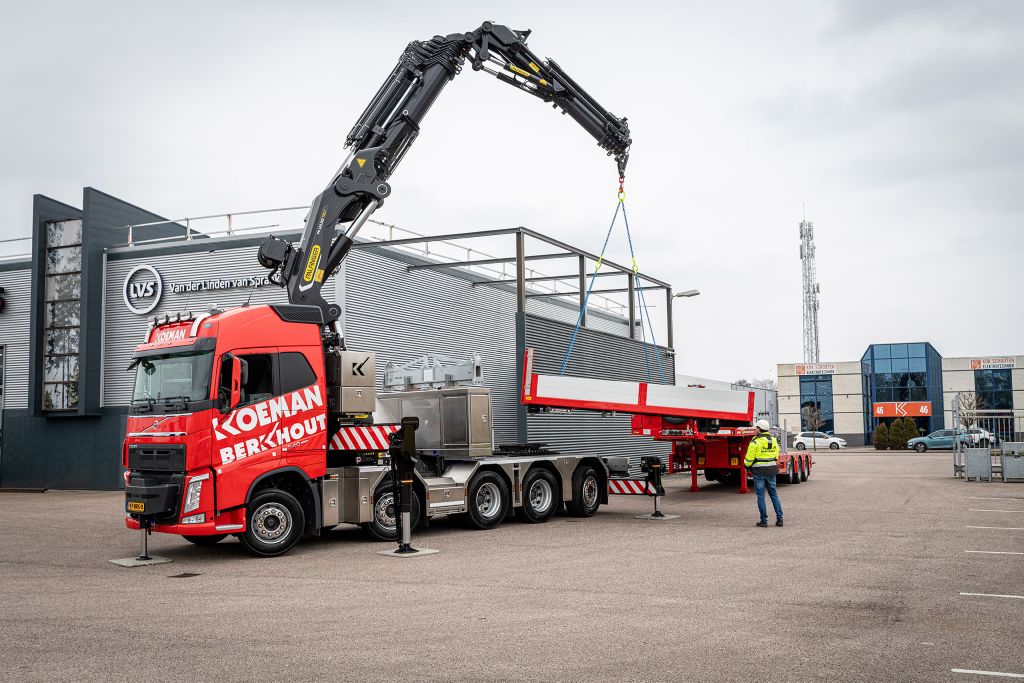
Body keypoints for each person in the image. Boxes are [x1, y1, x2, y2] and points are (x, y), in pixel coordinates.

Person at [744, 419, 783, 527]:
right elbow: (776, 455)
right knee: (774, 494)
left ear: (760, 429)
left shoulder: (755, 441)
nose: (755, 429)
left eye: (756, 428)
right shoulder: (773, 440)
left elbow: (749, 459)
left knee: (761, 496)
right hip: (771, 470)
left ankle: (764, 521)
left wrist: (746, 466)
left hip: (759, 471)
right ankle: (780, 519)